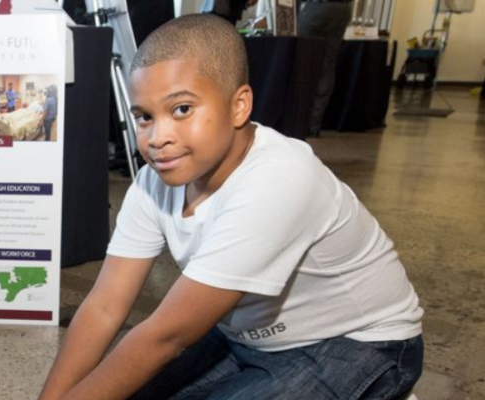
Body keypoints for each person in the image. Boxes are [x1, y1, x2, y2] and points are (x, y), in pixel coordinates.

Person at [38, 15, 423, 400]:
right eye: (144, 117)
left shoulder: (277, 179)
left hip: (358, 344)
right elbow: (104, 306)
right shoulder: (152, 183)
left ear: (239, 106)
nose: (158, 138)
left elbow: (166, 336)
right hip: (244, 336)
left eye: (182, 109)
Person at [299, 0, 354, 136]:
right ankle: (313, 124)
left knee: (299, 57)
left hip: (319, 6)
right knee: (327, 66)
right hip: (344, 8)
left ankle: (296, 120)